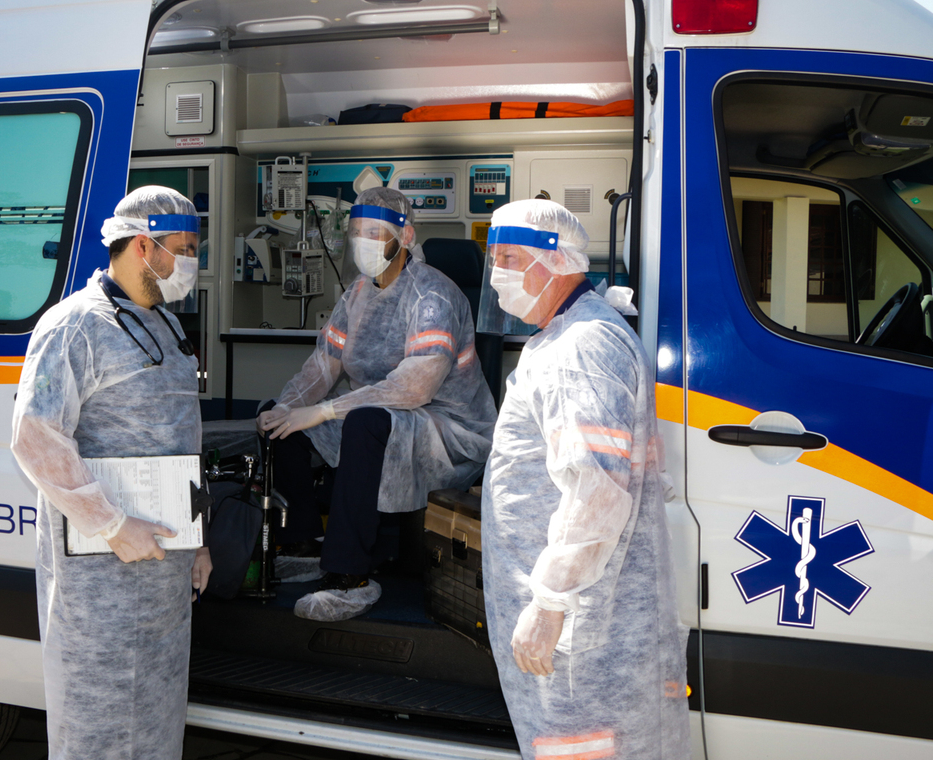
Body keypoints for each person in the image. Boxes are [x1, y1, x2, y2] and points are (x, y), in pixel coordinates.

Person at [477, 199, 689, 759]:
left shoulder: (580, 349)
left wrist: (549, 605)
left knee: (580, 748)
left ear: (559, 260)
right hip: (577, 616)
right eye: (493, 258)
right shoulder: (566, 335)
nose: (498, 274)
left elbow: (595, 492)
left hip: (576, 626)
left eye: (511, 258)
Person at [11, 186, 212, 760]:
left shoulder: (168, 330)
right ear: (144, 246)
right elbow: (36, 436)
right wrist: (110, 523)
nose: (193, 261)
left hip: (165, 581)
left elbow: (182, 440)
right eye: (186, 247)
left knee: (156, 725)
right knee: (97, 736)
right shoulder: (75, 326)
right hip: (100, 587)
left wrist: (199, 542)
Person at [257, 187, 496, 622]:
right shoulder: (357, 296)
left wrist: (327, 410)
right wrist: (287, 408)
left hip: (447, 428)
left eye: (374, 232)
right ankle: (305, 544)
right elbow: (322, 368)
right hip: (378, 413)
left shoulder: (432, 297)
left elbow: (415, 387)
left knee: (362, 421)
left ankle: (348, 575)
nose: (362, 243)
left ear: (404, 237)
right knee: (280, 418)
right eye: (356, 233)